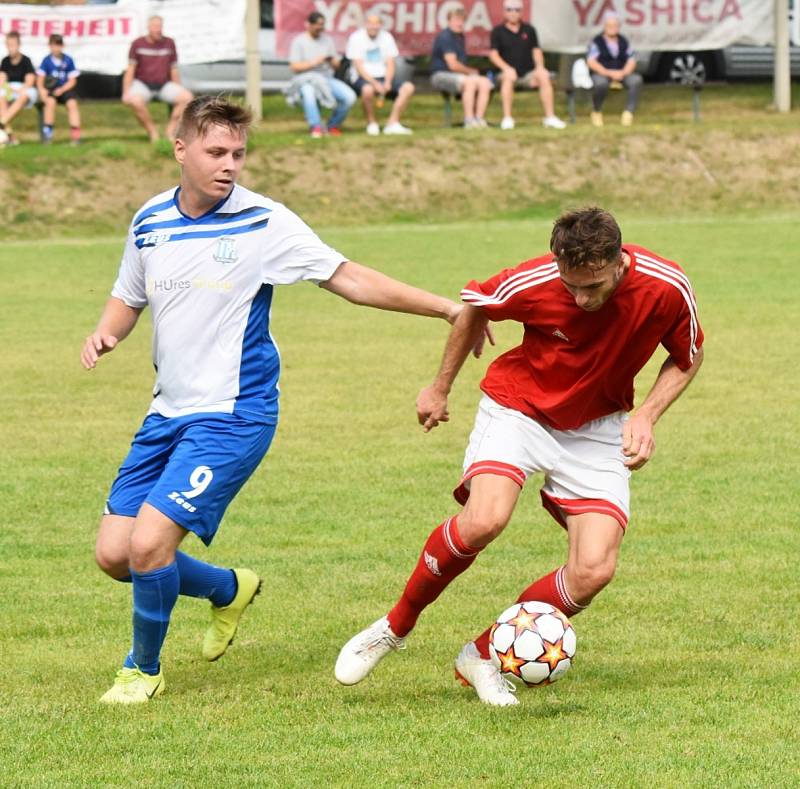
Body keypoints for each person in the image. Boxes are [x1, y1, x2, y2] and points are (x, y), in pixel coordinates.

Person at [81, 95, 488, 705]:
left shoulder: (263, 221)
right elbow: (128, 296)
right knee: (115, 554)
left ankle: (142, 669)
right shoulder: (150, 221)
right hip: (166, 410)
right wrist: (107, 330)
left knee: (148, 546)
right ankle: (227, 589)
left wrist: (448, 308)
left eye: (239, 153)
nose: (229, 165)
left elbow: (348, 277)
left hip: (234, 414)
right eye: (216, 152)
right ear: (181, 148)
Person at [336, 207, 704, 706]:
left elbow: (689, 354)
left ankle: (483, 655)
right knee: (485, 519)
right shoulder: (533, 280)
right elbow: (475, 306)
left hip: (597, 425)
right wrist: (439, 387)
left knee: (593, 570)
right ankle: (394, 627)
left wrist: (646, 416)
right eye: (571, 284)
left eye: (593, 286)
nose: (579, 297)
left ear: (620, 263)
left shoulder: (666, 285)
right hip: (519, 408)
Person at [488, 1, 565, 130]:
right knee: (508, 77)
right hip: (505, 74)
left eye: (517, 10)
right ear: (504, 11)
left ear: (521, 12)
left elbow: (536, 51)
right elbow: (493, 55)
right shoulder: (497, 31)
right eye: (510, 9)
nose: (513, 13)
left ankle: (550, 117)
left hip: (527, 74)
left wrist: (540, 67)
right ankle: (507, 118)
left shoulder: (529, 30)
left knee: (543, 75)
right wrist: (506, 68)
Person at [123, 15, 194, 142]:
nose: (158, 30)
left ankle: (170, 132)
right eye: (155, 27)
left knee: (187, 98)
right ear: (148, 28)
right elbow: (130, 69)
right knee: (135, 101)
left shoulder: (169, 43)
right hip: (142, 84)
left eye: (160, 27)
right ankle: (153, 132)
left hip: (164, 84)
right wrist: (126, 92)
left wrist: (178, 87)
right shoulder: (137, 44)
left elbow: (173, 69)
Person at [287, 12, 356, 138]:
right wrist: (314, 62)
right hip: (305, 79)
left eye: (322, 25)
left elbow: (336, 66)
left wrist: (333, 61)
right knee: (308, 92)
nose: (320, 28)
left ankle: (332, 125)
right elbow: (294, 67)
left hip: (326, 78)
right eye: (317, 25)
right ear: (309, 25)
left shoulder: (327, 40)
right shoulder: (299, 41)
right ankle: (316, 127)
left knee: (349, 97)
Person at [345, 11, 414, 136]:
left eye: (376, 23)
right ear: (365, 24)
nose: (373, 26)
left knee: (408, 88)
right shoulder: (356, 38)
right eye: (370, 23)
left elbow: (390, 63)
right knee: (367, 90)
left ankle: (393, 123)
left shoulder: (387, 37)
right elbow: (358, 66)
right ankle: (372, 123)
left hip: (383, 77)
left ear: (381, 25)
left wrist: (387, 81)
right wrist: (374, 83)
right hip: (362, 78)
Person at [430, 6, 492, 129]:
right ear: (449, 21)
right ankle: (469, 120)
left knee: (485, 82)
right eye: (456, 20)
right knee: (470, 82)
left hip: (459, 76)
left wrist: (473, 74)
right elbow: (452, 65)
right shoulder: (445, 37)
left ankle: (479, 120)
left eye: (462, 20)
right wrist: (472, 72)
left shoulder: (460, 37)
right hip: (440, 76)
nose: (459, 23)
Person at [586, 12, 642, 127]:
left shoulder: (623, 41)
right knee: (600, 83)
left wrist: (624, 72)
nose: (613, 28)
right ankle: (596, 111)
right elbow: (591, 61)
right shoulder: (597, 42)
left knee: (636, 80)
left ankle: (628, 113)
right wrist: (608, 73)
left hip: (621, 73)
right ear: (605, 26)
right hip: (602, 73)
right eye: (609, 26)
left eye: (615, 26)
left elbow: (631, 60)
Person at [36, 34, 81, 145]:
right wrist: (42, 90)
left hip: (64, 90)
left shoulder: (68, 60)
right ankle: (48, 135)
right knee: (49, 103)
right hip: (51, 90)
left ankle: (76, 136)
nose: (56, 48)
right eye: (53, 45)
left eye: (58, 45)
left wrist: (62, 89)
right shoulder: (46, 61)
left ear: (62, 46)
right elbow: (40, 79)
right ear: (50, 46)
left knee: (72, 104)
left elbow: (73, 80)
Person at [0, 31, 38, 146]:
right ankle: (10, 135)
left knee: (24, 96)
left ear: (18, 45)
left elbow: (30, 81)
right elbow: (2, 80)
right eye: (9, 45)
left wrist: (19, 89)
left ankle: (2, 122)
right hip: (10, 89)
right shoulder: (5, 61)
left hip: (24, 90)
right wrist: (8, 88)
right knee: (1, 97)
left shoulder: (26, 61)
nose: (11, 48)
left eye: (13, 45)